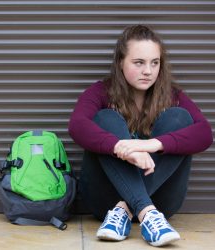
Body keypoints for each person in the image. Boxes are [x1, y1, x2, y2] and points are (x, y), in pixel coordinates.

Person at [68, 24, 213, 247]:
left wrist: (152, 145)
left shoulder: (172, 96)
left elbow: (204, 134)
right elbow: (77, 126)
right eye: (139, 62)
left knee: (180, 119)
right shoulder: (100, 93)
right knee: (106, 119)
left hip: (161, 202)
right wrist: (120, 148)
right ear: (120, 63)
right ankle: (144, 212)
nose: (148, 71)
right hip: (105, 203)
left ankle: (130, 209)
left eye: (155, 63)